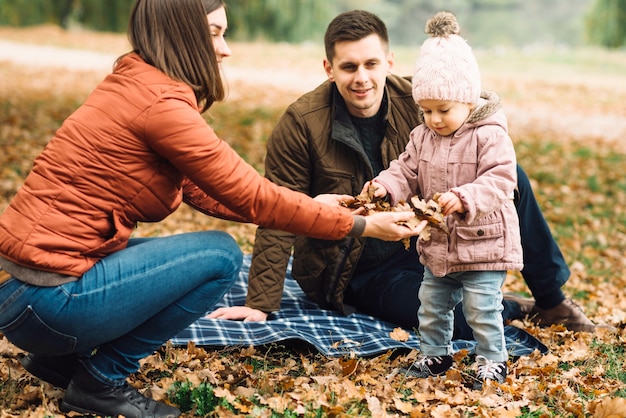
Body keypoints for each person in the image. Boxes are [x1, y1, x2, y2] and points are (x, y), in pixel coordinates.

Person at [0, 1, 426, 417]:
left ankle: (59, 361)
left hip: (26, 293)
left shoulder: (135, 83)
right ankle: (100, 380)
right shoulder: (161, 107)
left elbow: (205, 189)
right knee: (220, 257)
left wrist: (310, 205)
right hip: (48, 303)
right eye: (215, 34)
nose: (225, 48)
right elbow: (252, 196)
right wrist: (359, 224)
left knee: (174, 257)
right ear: (184, 36)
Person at [209, 9, 597, 335]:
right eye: (349, 67)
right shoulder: (300, 124)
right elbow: (279, 209)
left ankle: (552, 303)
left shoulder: (423, 100)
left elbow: (478, 126)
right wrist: (259, 303)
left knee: (514, 177)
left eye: (371, 63)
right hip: (355, 267)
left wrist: (464, 196)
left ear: (389, 62)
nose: (362, 77)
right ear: (329, 69)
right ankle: (511, 307)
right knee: (455, 322)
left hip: (426, 243)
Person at [365, 11, 521, 389]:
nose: (433, 119)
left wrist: (463, 197)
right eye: (426, 110)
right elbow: (406, 170)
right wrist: (387, 186)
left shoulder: (489, 135)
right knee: (430, 305)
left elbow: (500, 180)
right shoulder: (423, 137)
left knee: (482, 308)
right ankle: (435, 352)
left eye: (443, 110)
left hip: (483, 243)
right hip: (438, 246)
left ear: (466, 99)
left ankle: (492, 358)